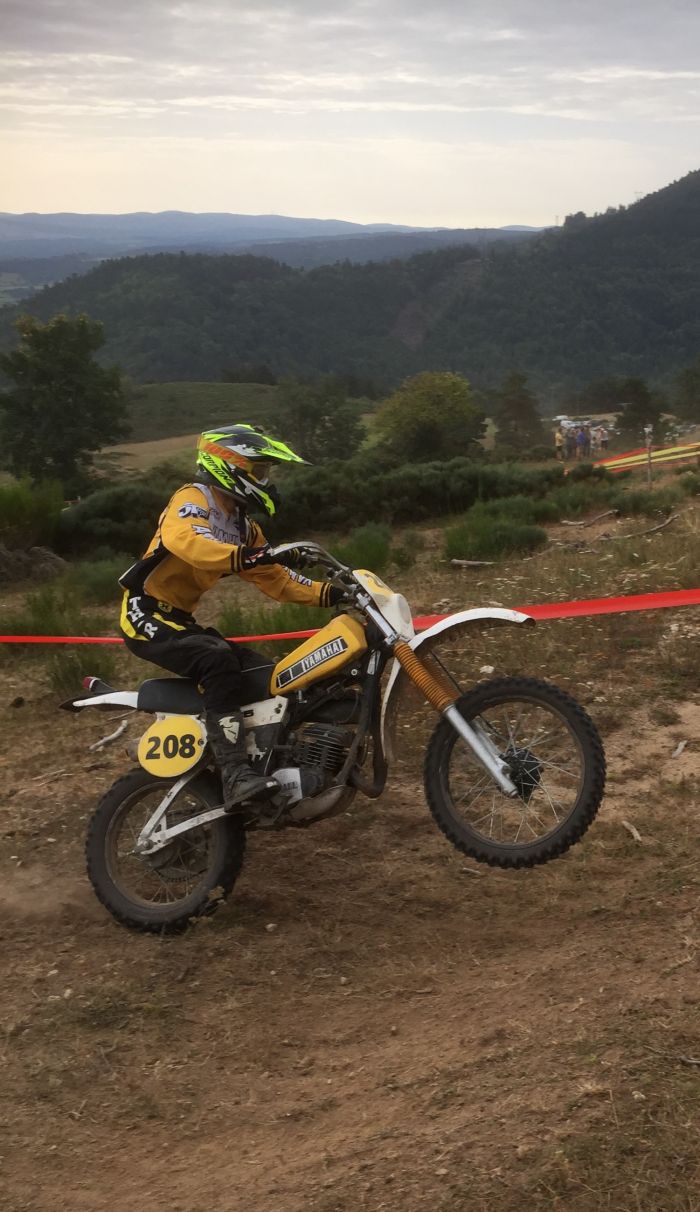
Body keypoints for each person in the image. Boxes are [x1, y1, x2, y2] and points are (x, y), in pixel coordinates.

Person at [118, 423, 346, 812]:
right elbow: (187, 542)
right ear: (228, 466)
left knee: (267, 676)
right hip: (144, 612)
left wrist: (331, 593)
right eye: (259, 471)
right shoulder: (194, 498)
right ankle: (235, 775)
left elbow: (277, 579)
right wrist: (249, 556)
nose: (265, 480)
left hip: (181, 620)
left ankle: (267, 763)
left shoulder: (243, 527)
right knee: (216, 660)